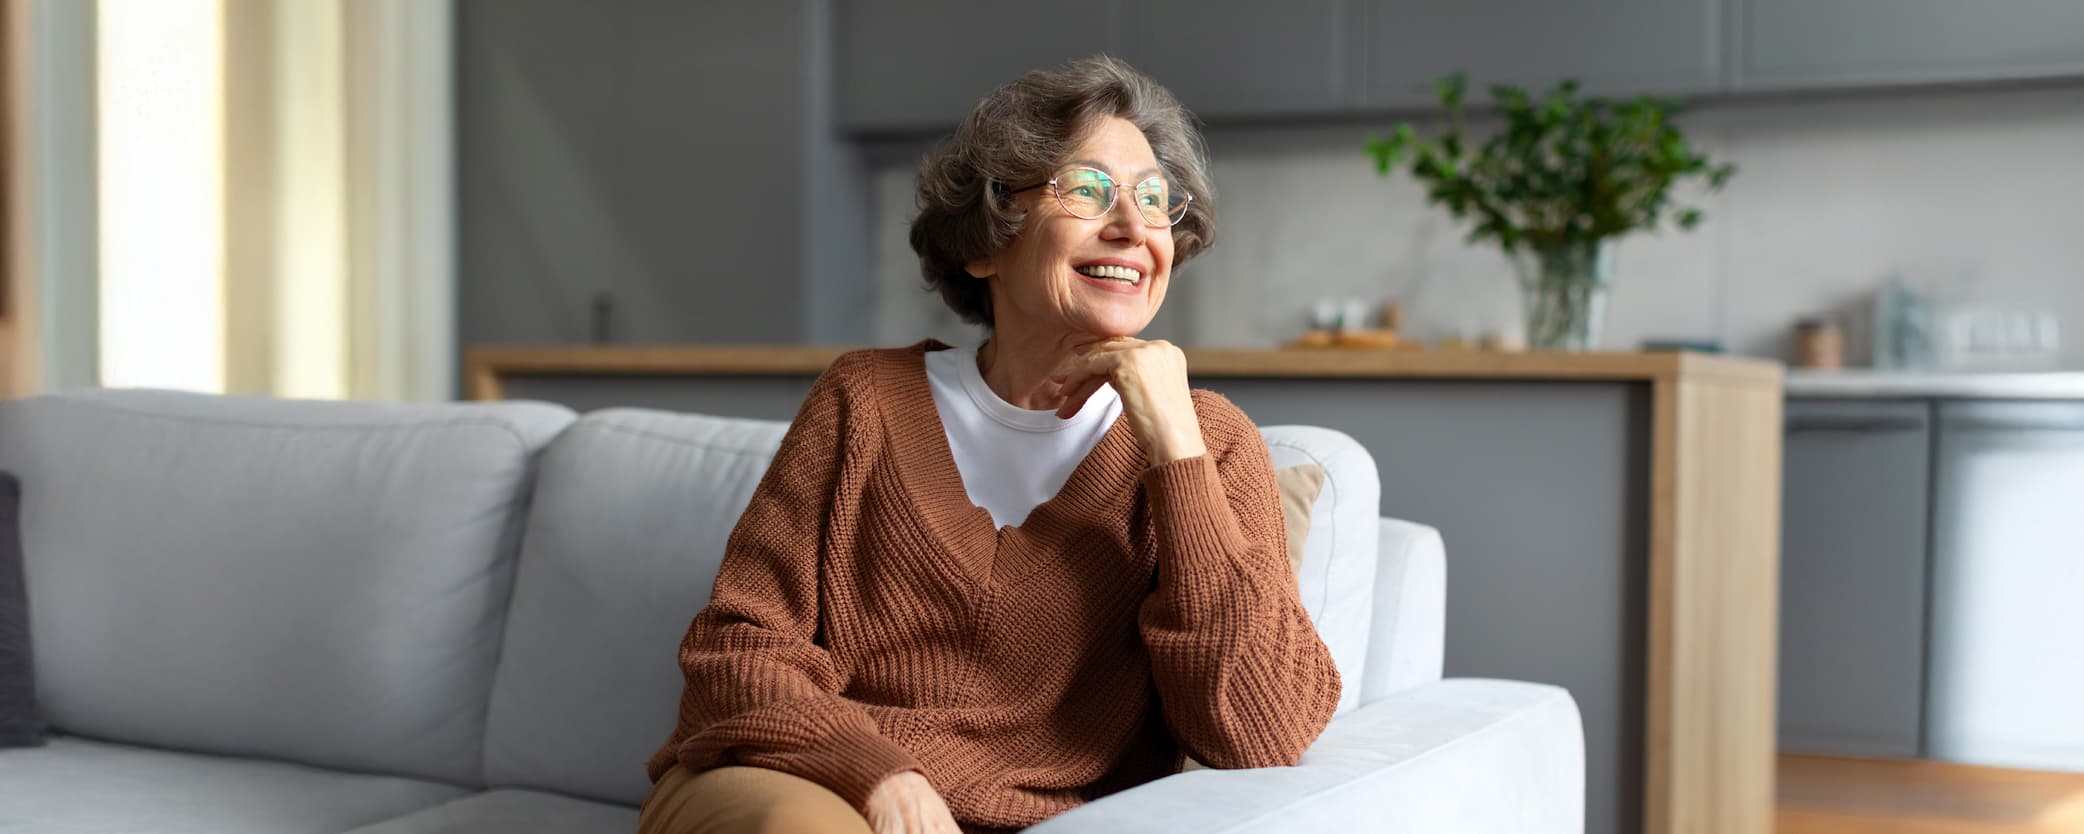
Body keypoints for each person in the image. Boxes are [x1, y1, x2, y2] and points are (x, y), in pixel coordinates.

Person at [637, 56, 1338, 834]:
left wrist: (1176, 448)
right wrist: (877, 776)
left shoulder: (1211, 445)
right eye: (1087, 191)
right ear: (985, 243)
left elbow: (1259, 736)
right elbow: (737, 651)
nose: (1134, 227)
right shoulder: (862, 401)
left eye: (1152, 199)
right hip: (806, 782)